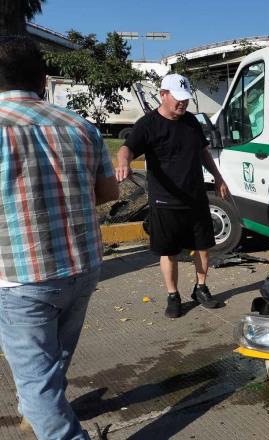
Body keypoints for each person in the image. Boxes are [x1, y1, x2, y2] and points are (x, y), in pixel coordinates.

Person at [0, 36, 119, 439]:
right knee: (56, 359)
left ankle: (46, 417)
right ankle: (39, 411)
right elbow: (108, 193)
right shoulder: (80, 125)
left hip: (22, 276)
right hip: (82, 265)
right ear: (44, 80)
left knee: (36, 384)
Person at [116, 74, 229, 318]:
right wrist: (123, 162)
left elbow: (202, 152)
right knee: (170, 252)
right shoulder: (148, 124)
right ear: (163, 95)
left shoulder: (191, 122)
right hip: (165, 201)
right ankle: (173, 295)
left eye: (186, 99)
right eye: (178, 99)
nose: (183, 104)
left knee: (203, 248)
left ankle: (200, 288)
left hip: (195, 197)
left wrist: (218, 177)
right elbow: (127, 148)